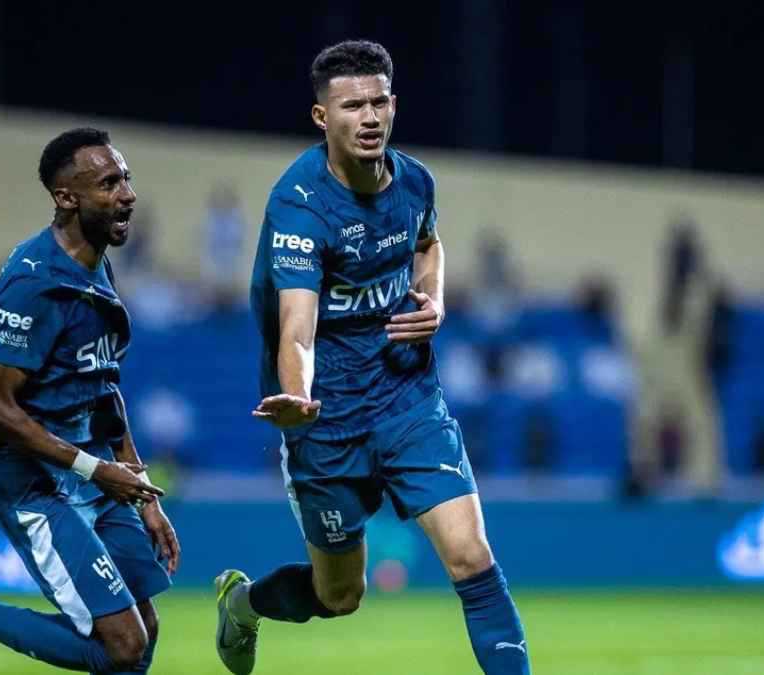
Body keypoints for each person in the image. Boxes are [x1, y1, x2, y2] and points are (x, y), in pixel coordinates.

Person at [215, 41, 529, 675]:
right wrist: (298, 396)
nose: (369, 117)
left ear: (394, 105)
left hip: (406, 398)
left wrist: (434, 300)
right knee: (340, 596)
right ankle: (242, 605)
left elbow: (429, 243)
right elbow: (296, 328)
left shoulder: (415, 181)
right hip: (326, 418)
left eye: (379, 102)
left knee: (471, 556)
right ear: (321, 117)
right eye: (352, 105)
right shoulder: (300, 206)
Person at [0, 128, 181, 674]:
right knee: (123, 644)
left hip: (92, 471)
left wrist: (145, 493)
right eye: (109, 183)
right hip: (36, 484)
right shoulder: (34, 284)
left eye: (126, 179)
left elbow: (103, 386)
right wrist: (96, 469)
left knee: (143, 631)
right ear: (66, 198)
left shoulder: (95, 264)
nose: (127, 195)